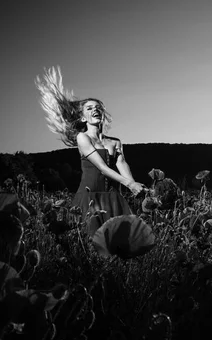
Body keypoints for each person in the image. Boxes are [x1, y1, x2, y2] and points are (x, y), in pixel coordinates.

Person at [35, 66, 146, 236]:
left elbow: (122, 164)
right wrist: (129, 184)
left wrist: (135, 186)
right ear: (82, 117)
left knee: (120, 240)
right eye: (89, 108)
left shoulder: (115, 142)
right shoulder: (82, 138)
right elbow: (102, 168)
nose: (95, 110)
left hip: (112, 199)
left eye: (98, 107)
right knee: (91, 240)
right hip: (88, 197)